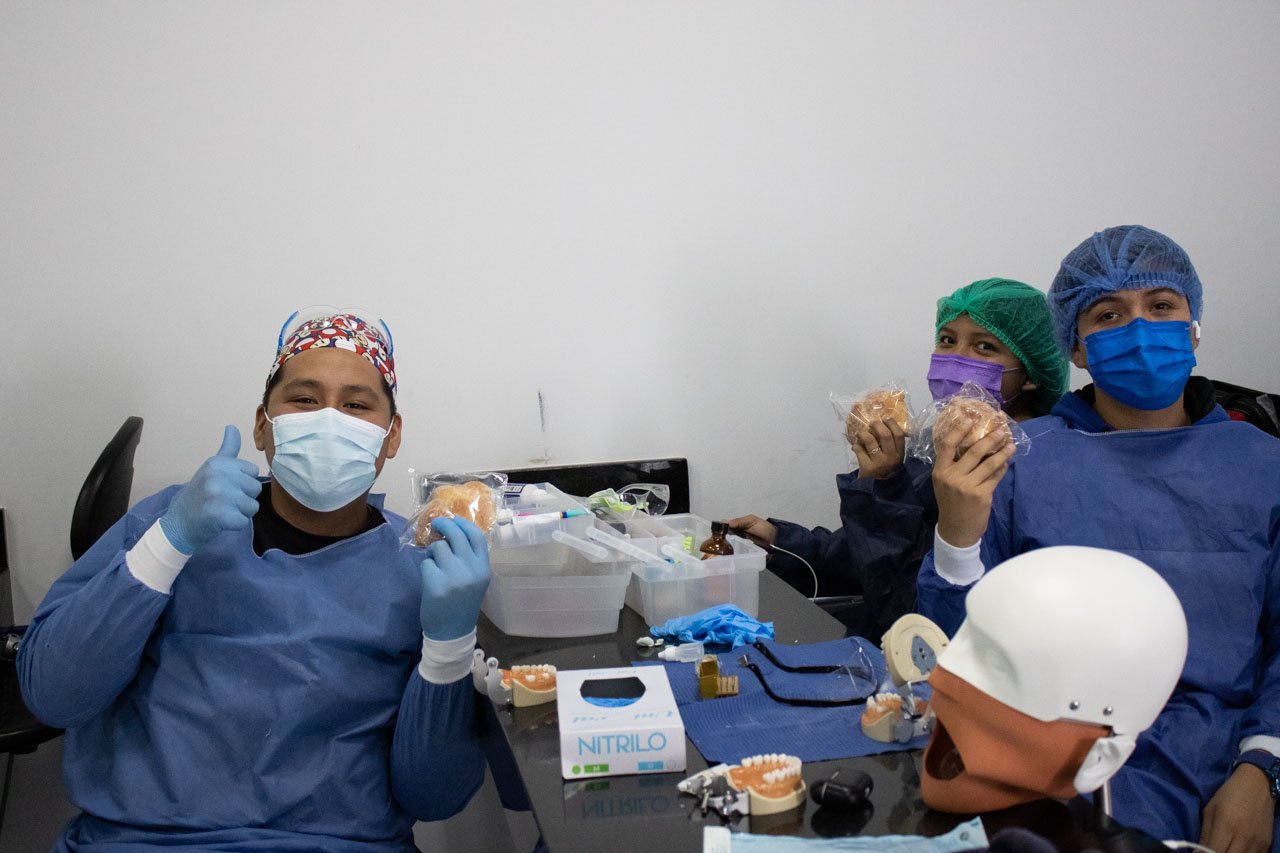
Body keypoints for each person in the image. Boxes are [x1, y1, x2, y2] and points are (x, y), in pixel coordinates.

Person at [18, 310, 493, 852]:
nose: (329, 420)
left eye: (357, 405)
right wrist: (167, 544)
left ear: (392, 435)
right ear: (263, 424)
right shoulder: (173, 523)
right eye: (304, 400)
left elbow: (434, 797)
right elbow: (52, 696)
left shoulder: (421, 570)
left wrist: (449, 646)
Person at [916, 225, 1280, 851]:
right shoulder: (1019, 461)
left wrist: (1263, 768)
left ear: (1194, 326)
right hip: (1054, 763)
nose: (1140, 330)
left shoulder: (1264, 466)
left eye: (1162, 308)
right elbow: (958, 654)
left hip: (1234, 757)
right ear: (1076, 349)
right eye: (1109, 315)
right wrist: (956, 536)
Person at [729, 278, 1067, 639]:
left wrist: (885, 485)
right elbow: (873, 557)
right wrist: (783, 543)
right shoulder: (940, 442)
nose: (956, 359)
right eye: (948, 340)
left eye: (984, 347)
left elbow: (915, 609)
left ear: (1031, 373)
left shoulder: (1033, 463)